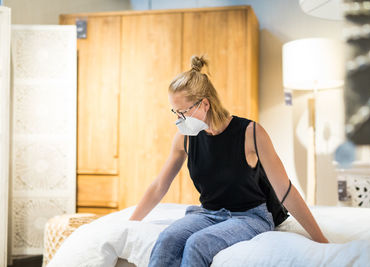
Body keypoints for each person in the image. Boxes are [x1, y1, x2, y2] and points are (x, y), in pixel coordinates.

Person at [128, 55, 329, 266]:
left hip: (250, 217)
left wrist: (321, 240)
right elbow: (160, 185)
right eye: (175, 112)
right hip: (208, 213)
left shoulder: (251, 133)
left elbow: (285, 190)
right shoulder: (184, 138)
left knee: (198, 243)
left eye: (183, 112)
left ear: (204, 104)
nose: (178, 119)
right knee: (167, 239)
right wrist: (132, 223)